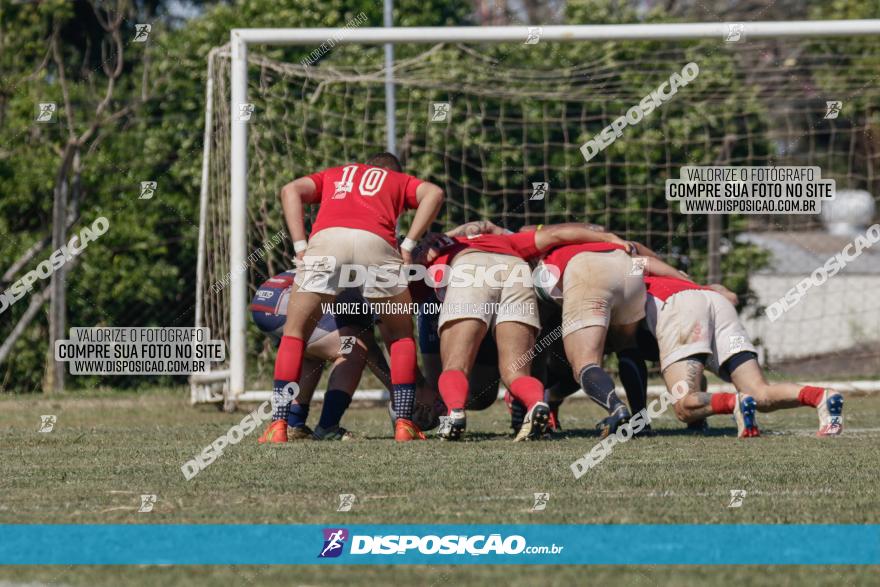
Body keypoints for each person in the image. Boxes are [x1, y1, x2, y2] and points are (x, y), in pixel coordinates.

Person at [259, 153, 444, 443]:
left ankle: (279, 425)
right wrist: (408, 245)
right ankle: (404, 424)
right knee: (400, 337)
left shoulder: (336, 172)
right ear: (392, 172)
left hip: (323, 245)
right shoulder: (395, 179)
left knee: (295, 335)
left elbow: (289, 190)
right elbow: (435, 193)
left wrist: (299, 246)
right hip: (377, 243)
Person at [417, 223, 630, 441]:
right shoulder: (506, 240)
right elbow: (557, 233)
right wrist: (610, 237)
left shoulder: (440, 245)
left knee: (455, 366)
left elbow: (410, 273)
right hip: (516, 270)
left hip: (468, 267)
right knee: (516, 372)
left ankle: (454, 414)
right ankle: (536, 404)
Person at [641, 273, 844, 437]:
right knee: (760, 393)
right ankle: (821, 396)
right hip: (717, 302)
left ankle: (734, 402)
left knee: (683, 407)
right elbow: (730, 296)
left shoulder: (627, 269)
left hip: (682, 310)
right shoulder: (668, 273)